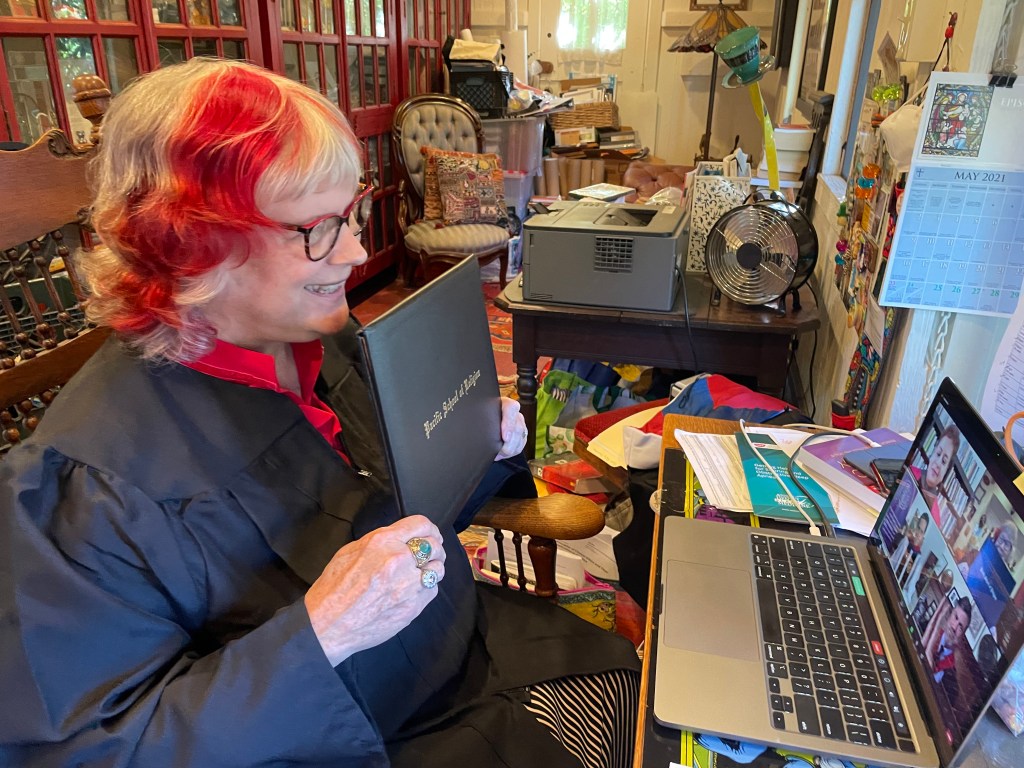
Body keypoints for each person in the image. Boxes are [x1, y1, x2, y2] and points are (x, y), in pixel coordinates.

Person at [0, 59, 640, 767]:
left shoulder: (321, 339)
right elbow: (89, 750)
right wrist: (321, 634)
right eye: (318, 229)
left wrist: (473, 452)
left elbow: (399, 514)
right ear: (189, 240)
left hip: (457, 644)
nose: (358, 250)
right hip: (348, 739)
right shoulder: (86, 489)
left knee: (642, 696)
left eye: (352, 213)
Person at [922, 596, 984, 736]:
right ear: (949, 614)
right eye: (955, 617)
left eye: (960, 627)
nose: (954, 627)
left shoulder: (951, 682)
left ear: (962, 635)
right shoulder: (924, 626)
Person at [910, 424, 960, 526]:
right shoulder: (909, 472)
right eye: (938, 454)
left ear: (946, 470)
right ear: (932, 453)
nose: (937, 463)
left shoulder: (935, 519)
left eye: (944, 461)